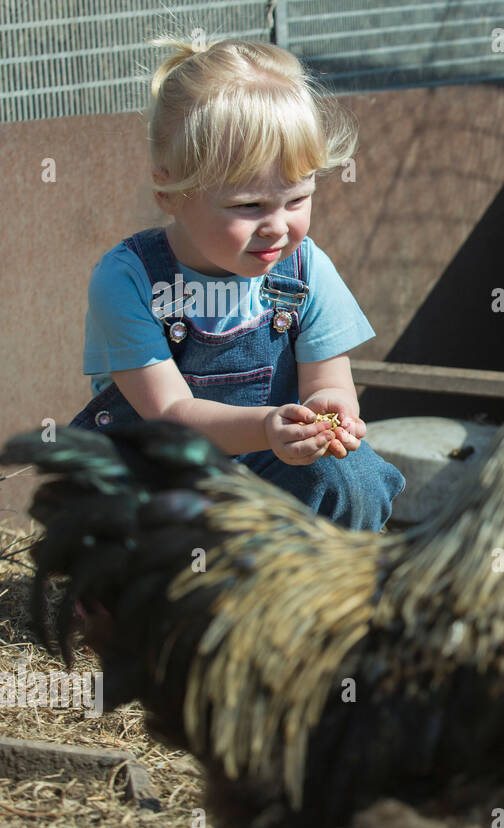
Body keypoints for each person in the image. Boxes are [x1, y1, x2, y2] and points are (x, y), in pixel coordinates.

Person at [71, 37, 404, 531]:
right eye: (249, 206)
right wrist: (267, 428)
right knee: (132, 519)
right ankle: (132, 599)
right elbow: (170, 413)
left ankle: (322, 599)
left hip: (270, 460)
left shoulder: (305, 271)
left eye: (296, 199)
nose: (276, 226)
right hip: (163, 464)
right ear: (171, 192)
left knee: (351, 477)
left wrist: (324, 413)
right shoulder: (129, 280)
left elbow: (329, 380)